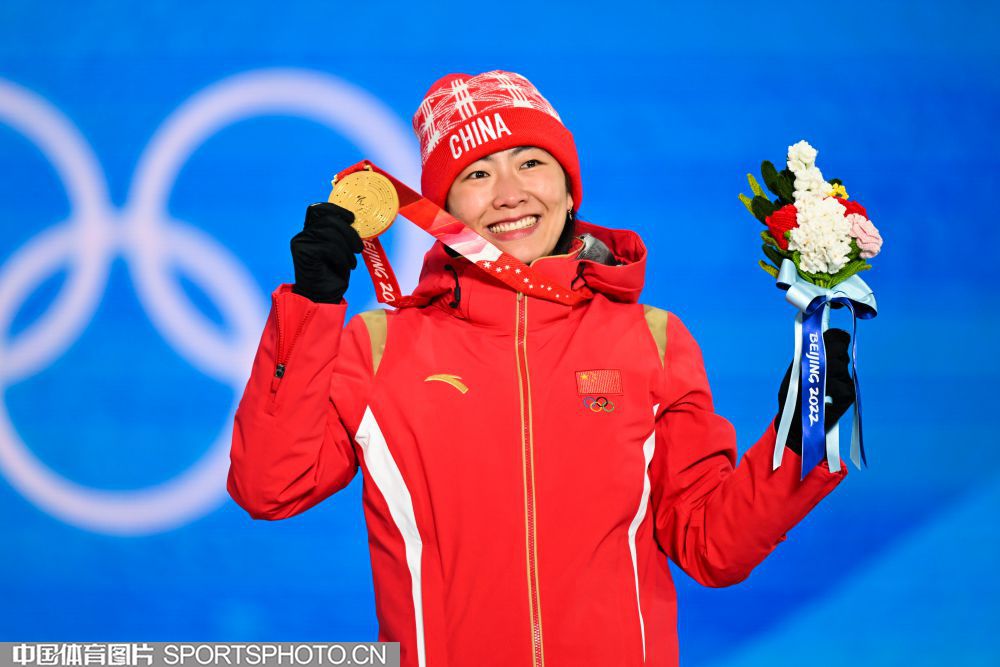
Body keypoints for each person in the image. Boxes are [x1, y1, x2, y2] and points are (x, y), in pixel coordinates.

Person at [227, 70, 855, 667]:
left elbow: (712, 545)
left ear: (568, 186)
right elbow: (270, 487)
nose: (509, 194)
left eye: (530, 162)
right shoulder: (381, 347)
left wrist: (809, 430)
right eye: (477, 174)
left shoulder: (653, 340)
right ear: (443, 210)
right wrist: (311, 308)